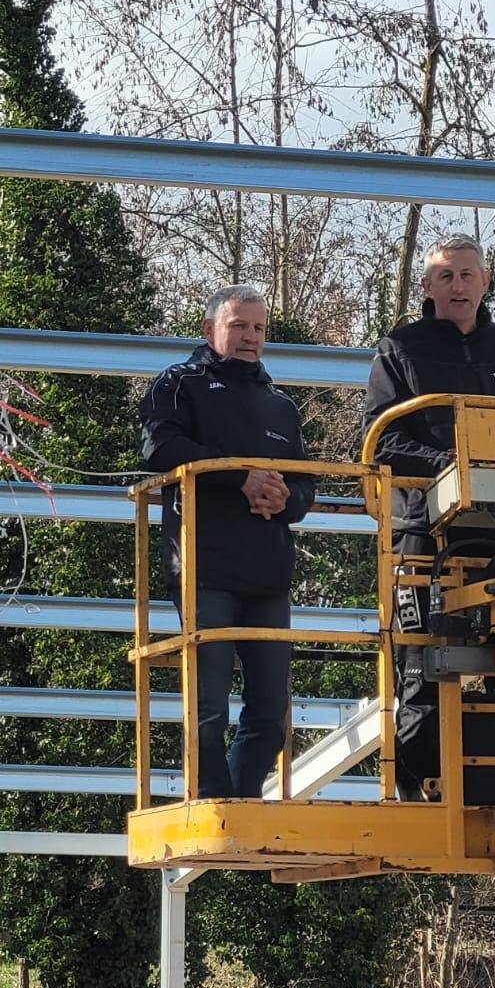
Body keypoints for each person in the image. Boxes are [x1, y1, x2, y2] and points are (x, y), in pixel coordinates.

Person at [363, 233, 495, 800]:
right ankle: (421, 794)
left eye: (466, 275)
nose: (457, 286)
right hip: (423, 536)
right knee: (422, 666)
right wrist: (452, 465)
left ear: (485, 282)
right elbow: (380, 440)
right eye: (446, 276)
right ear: (427, 286)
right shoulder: (400, 349)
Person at [139, 285, 315, 799]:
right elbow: (159, 446)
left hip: (268, 576)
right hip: (204, 569)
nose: (250, 337)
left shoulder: (281, 405)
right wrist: (241, 478)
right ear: (209, 330)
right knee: (208, 703)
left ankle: (241, 801)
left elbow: (306, 485)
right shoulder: (179, 383)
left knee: (272, 710)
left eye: (259, 328)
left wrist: (285, 498)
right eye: (239, 326)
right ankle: (212, 804)